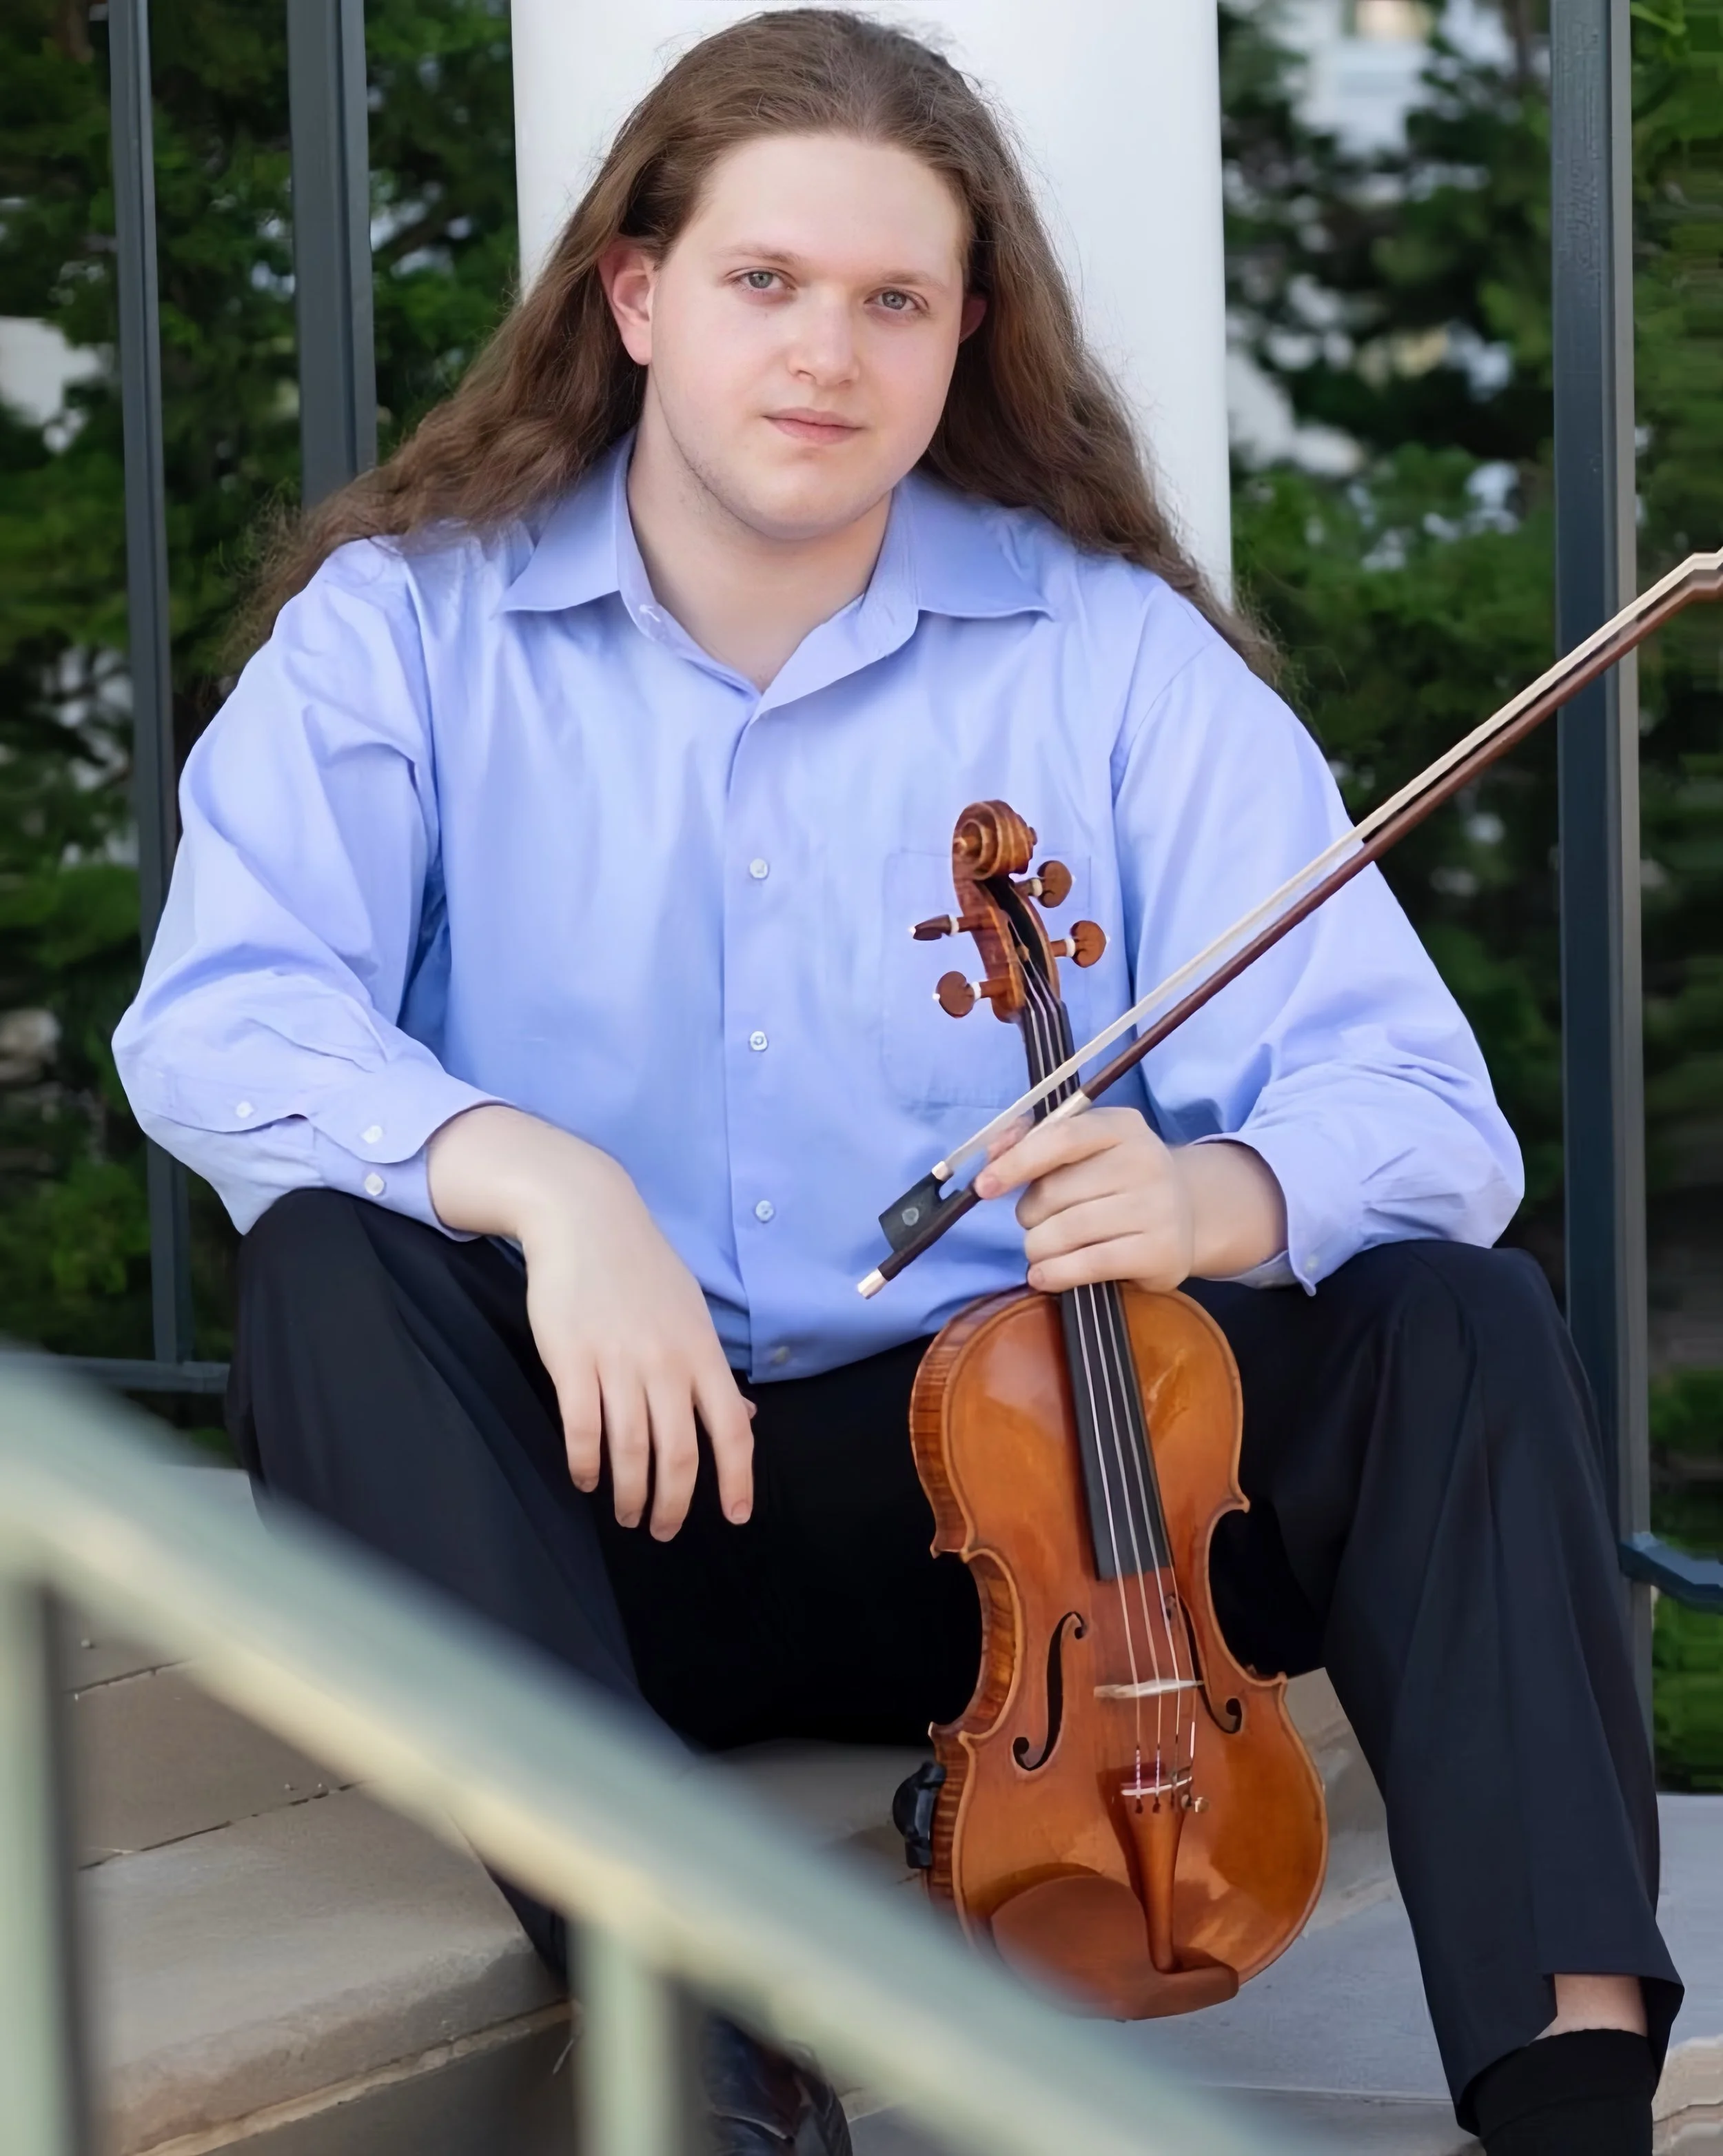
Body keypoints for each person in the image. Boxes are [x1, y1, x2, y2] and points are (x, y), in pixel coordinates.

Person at [114, 12, 1680, 2153]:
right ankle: (706, 2048)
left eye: (892, 302)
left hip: (1032, 1534)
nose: (823, 355)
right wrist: (538, 1180)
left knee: (1457, 1320)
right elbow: (218, 1018)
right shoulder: (407, 630)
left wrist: (1212, 1201)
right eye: (763, 281)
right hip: (590, 1521)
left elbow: (1417, 1104)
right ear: (636, 295)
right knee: (327, 1267)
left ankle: (1574, 2094)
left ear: (965, 340)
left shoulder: (1107, 653)